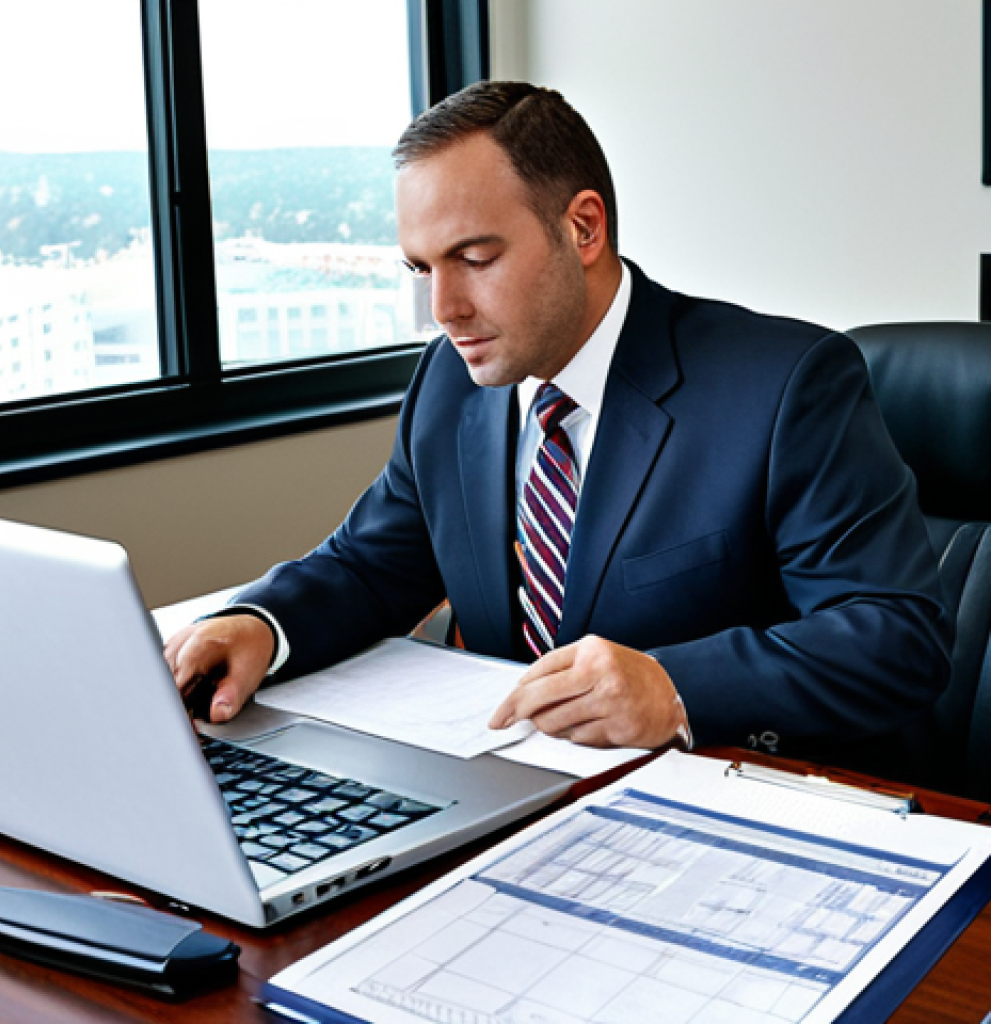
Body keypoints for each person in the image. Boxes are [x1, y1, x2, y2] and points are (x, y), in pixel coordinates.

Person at [166, 81, 950, 774]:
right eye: (422, 269)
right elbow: (373, 563)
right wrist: (260, 622)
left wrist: (676, 688)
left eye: (474, 258)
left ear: (583, 228)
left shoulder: (784, 383)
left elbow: (895, 640)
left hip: (723, 798)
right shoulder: (451, 380)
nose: (442, 311)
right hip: (510, 793)